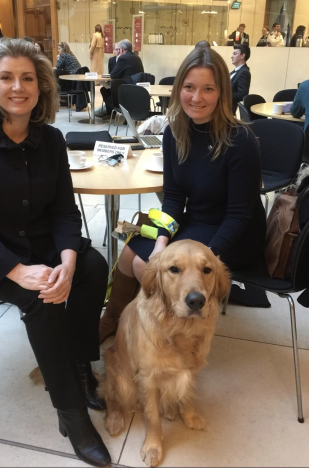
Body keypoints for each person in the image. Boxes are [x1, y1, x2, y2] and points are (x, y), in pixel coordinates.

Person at [0, 38, 111, 468]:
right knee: (40, 296)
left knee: (92, 266)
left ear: (41, 86)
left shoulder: (50, 139)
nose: (18, 87)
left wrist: (67, 261)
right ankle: (71, 414)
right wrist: (18, 272)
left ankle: (82, 365)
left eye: (27, 78)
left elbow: (66, 211)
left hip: (33, 243)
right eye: (7, 77)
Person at [99, 47, 267, 343]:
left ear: (221, 93)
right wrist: (161, 242)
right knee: (131, 253)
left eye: (208, 89)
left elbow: (240, 215)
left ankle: (171, 336)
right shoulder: (175, 132)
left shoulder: (240, 140)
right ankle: (113, 319)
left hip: (235, 234)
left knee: (147, 266)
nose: (196, 98)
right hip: (195, 221)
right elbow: (174, 200)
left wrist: (208, 257)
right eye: (189, 87)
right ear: (179, 90)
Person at [230, 43, 251, 115]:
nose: (231, 56)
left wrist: (224, 96)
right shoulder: (236, 71)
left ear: (242, 55)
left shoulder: (244, 72)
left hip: (228, 108)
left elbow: (243, 94)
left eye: (235, 54)